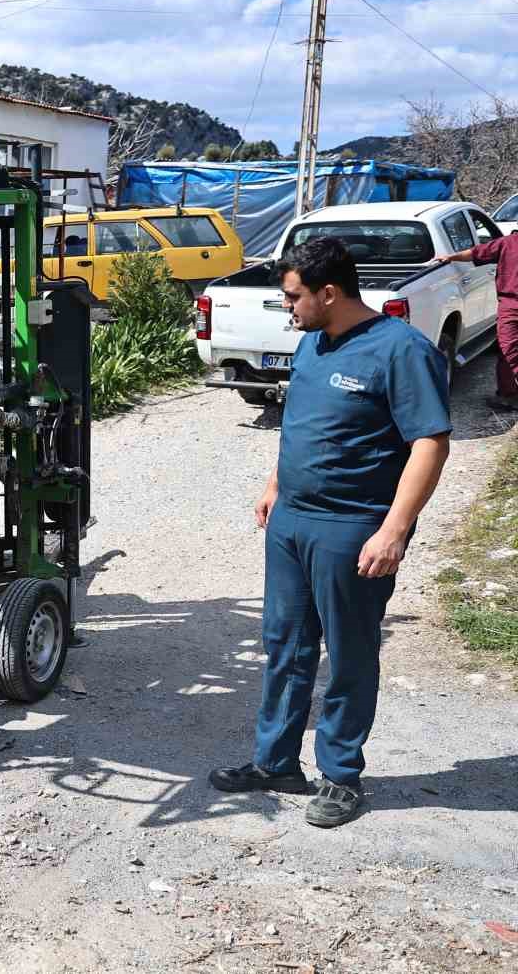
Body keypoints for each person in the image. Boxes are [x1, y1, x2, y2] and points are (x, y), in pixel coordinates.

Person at [209, 237, 451, 828]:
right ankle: (276, 763)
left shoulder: (400, 350)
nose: (286, 307)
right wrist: (275, 482)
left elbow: (430, 442)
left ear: (329, 292)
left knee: (348, 652)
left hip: (352, 526)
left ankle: (340, 775)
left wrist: (394, 529)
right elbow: (302, 422)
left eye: (293, 296)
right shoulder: (315, 342)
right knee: (284, 645)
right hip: (292, 520)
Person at [433, 228, 518, 411]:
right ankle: (508, 395)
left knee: (509, 350)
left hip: (510, 305)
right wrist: (451, 257)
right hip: (511, 305)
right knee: (507, 349)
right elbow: (475, 253)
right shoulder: (507, 243)